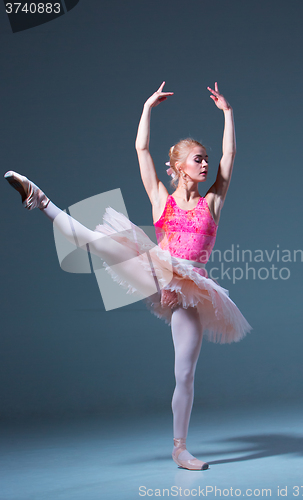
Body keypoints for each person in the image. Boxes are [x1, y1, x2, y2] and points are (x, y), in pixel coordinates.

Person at [4, 81, 251, 471]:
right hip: (158, 267)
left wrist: (228, 113)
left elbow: (231, 153)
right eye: (198, 159)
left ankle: (179, 448)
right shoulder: (160, 198)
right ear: (180, 167)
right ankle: (41, 200)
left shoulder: (213, 202)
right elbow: (140, 149)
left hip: (192, 288)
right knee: (95, 240)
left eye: (207, 159)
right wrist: (148, 106)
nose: (206, 164)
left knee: (184, 373)